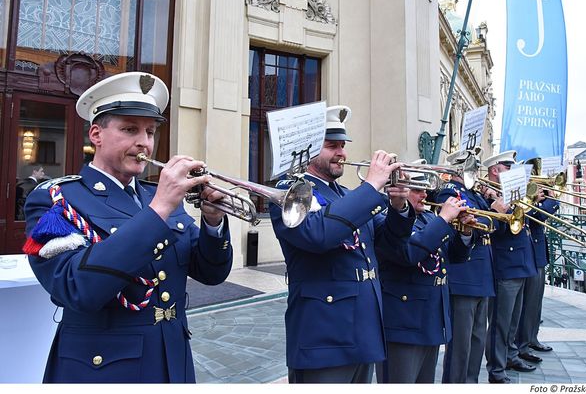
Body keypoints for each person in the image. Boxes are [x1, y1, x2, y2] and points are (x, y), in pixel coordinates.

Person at [22, 72, 233, 383]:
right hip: (104, 368)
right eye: (129, 129)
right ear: (96, 134)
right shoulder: (55, 198)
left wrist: (213, 221)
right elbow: (74, 288)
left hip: (172, 360)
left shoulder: (156, 195)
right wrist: (158, 208)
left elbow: (211, 274)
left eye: (150, 131)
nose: (144, 142)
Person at [269, 105, 416, 383]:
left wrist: (398, 207)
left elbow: (388, 246)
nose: (342, 153)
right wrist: (371, 188)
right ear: (309, 148)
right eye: (331, 145)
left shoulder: (349, 195)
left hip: (363, 331)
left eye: (343, 145)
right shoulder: (289, 192)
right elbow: (318, 235)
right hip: (324, 335)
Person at [375, 173, 475, 383]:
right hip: (404, 322)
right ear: (401, 191)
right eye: (417, 190)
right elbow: (409, 254)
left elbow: (455, 257)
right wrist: (444, 219)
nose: (425, 194)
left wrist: (465, 232)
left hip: (431, 318)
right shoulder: (387, 219)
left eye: (425, 189)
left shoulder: (429, 218)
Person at [480, 151, 538, 383]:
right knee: (499, 323)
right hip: (504, 263)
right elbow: (494, 230)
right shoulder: (486, 197)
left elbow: (529, 219)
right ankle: (496, 369)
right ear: (495, 169)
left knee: (513, 320)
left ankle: (511, 355)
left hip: (520, 262)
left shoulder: (509, 192)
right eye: (508, 167)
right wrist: (501, 207)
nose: (512, 172)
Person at [439, 150, 496, 384]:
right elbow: (475, 219)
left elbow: (490, 220)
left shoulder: (475, 194)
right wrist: (495, 211)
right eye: (471, 168)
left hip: (481, 275)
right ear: (458, 169)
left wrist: (491, 199)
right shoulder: (450, 191)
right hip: (464, 275)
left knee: (476, 342)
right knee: (460, 348)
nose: (475, 172)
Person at [513, 186, 559, 366]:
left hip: (537, 251)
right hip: (529, 253)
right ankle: (522, 345)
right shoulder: (522, 193)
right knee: (528, 303)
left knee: (535, 303)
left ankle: (531, 338)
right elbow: (537, 216)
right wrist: (551, 200)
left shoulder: (530, 193)